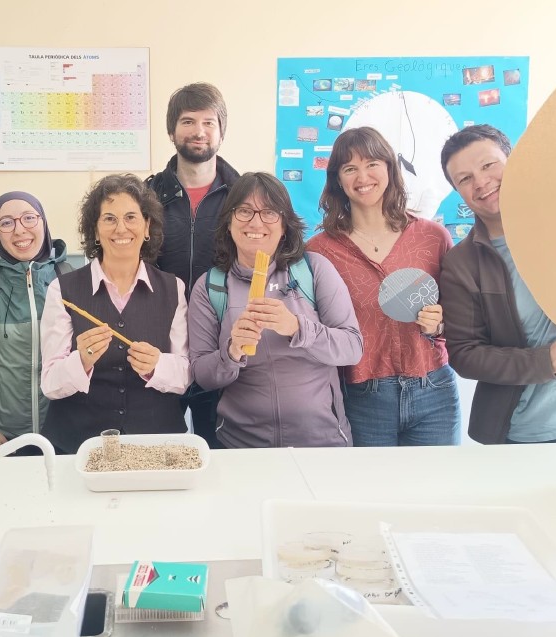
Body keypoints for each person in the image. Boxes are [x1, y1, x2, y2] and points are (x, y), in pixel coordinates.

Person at [438, 124, 556, 444]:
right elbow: (465, 354)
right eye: (464, 179)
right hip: (533, 433)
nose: (481, 182)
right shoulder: (463, 263)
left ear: (515, 160)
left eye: (488, 165)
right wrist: (548, 361)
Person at [307, 127, 460, 447]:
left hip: (433, 390)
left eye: (372, 163)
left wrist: (440, 324)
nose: (363, 176)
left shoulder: (433, 237)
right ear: (337, 180)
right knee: (369, 482)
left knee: (437, 480)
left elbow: (462, 317)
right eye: (350, 168)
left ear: (390, 168)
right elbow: (315, 330)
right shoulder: (320, 251)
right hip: (361, 396)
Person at [188, 172, 363, 449]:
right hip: (241, 446)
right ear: (229, 222)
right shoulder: (211, 286)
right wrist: (231, 352)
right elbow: (202, 375)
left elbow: (352, 348)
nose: (256, 222)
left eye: (269, 212)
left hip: (321, 443)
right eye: (244, 211)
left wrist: (297, 327)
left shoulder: (314, 269)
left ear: (284, 225)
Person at [39, 174, 190, 453]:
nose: (121, 228)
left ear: (147, 226)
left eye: (131, 217)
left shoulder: (174, 288)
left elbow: (184, 375)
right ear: (95, 231)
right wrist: (81, 361)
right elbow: (49, 382)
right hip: (78, 446)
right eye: (109, 219)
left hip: (155, 446)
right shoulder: (62, 290)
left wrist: (157, 365)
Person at [146, 82, 241, 449]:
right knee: (158, 451)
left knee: (219, 450)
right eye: (188, 121)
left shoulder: (243, 196)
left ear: (221, 131)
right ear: (172, 131)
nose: (199, 131)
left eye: (208, 122)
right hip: (159, 344)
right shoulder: (146, 196)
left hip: (222, 346)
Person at [0, 192, 69, 455]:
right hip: (3, 441)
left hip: (64, 437)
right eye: (7, 223)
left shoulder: (70, 281)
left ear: (43, 222)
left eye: (29, 218)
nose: (19, 230)